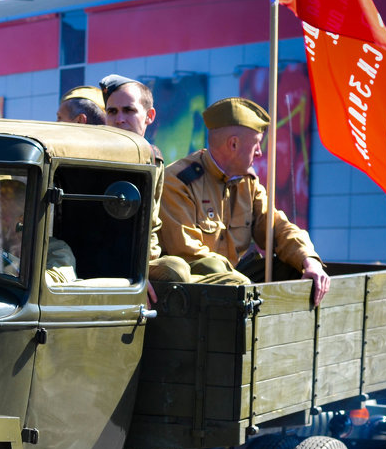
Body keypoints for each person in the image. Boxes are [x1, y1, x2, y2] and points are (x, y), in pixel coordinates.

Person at [159, 97, 330, 305]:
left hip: (239, 281)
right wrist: (243, 285)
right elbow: (189, 254)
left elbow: (275, 226)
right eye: (257, 144)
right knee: (231, 282)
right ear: (233, 144)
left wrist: (308, 259)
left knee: (295, 268)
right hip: (199, 288)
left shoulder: (247, 182)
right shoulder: (178, 182)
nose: (260, 152)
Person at [100, 74, 165, 277]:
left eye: (129, 111)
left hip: (135, 262)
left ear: (149, 116)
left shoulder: (153, 159)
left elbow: (151, 225)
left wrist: (143, 273)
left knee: (175, 270)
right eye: (112, 111)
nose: (119, 120)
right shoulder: (91, 155)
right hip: (95, 257)